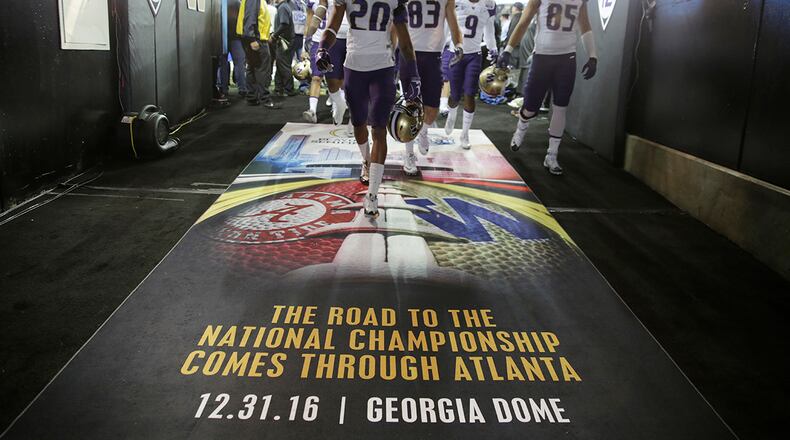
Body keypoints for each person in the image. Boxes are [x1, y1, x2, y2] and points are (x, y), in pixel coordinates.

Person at [317, 0, 420, 217]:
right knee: (358, 122)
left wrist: (413, 74)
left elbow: (405, 40)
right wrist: (322, 48)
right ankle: (366, 159)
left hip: (383, 68)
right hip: (354, 67)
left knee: (379, 129)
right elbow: (333, 26)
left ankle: (372, 195)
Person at [498, 0, 597, 175]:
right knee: (530, 107)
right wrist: (508, 49)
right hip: (542, 56)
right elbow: (525, 20)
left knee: (561, 106)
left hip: (567, 58)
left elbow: (585, 25)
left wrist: (593, 55)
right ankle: (522, 126)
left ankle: (552, 155)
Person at [399, 0, 463, 176]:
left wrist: (459, 45)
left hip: (433, 55)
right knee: (411, 105)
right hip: (408, 53)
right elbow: (394, 21)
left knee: (432, 109)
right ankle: (409, 153)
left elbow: (453, 22)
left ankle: (423, 131)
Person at [444, 0, 498, 149]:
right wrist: (442, 44)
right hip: (455, 53)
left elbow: (489, 29)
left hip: (474, 55)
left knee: (470, 93)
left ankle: (465, 133)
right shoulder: (456, 1)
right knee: (454, 96)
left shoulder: (489, 4)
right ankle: (452, 115)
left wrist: (493, 48)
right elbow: (446, 25)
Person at [302, 0, 349, 124]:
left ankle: (347, 116)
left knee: (351, 79)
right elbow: (321, 9)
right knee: (330, 79)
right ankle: (338, 105)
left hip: (355, 38)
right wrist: (309, 33)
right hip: (333, 37)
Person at [237, 0, 279, 108]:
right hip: (257, 39)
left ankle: (252, 97)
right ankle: (265, 98)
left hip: (253, 38)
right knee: (262, 69)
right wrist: (252, 39)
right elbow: (250, 18)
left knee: (252, 67)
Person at [218, 0, 249, 98]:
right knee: (239, 63)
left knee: (223, 64)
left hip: (222, 37)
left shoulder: (219, 3)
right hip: (236, 38)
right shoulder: (237, 3)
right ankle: (242, 88)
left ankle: (223, 89)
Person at [272, 0, 297, 96]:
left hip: (284, 41)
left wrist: (274, 35)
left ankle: (288, 89)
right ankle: (279, 88)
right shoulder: (284, 6)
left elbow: (284, 24)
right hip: (285, 40)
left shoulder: (283, 7)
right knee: (280, 64)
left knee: (283, 65)